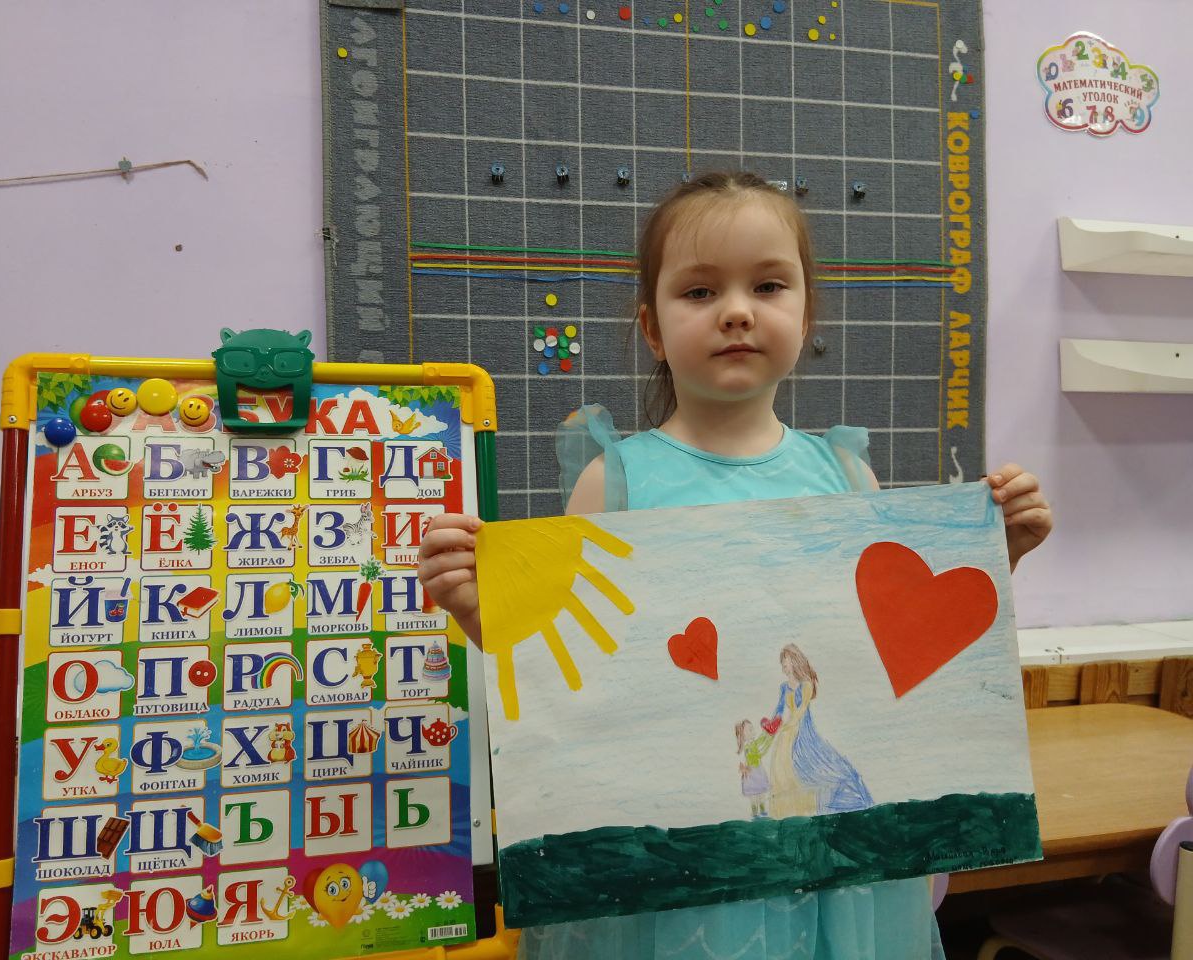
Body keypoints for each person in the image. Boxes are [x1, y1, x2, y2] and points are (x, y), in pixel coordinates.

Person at [417, 170, 1053, 960]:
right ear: (652, 330)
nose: (737, 310)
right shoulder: (613, 483)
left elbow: (889, 665)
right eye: (699, 291)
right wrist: (481, 612)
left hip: (832, 873)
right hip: (680, 874)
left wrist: (997, 556)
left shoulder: (846, 476)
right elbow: (571, 675)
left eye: (769, 285)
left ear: (805, 315)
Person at [765, 643, 871, 818]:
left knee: (815, 764)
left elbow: (802, 708)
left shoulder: (806, 684)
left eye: (786, 660)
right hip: (787, 730)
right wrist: (773, 723)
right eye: (782, 661)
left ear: (794, 661)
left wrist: (790, 724)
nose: (783, 664)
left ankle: (843, 795)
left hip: (803, 730)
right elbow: (779, 708)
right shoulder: (784, 687)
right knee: (781, 766)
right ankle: (789, 812)